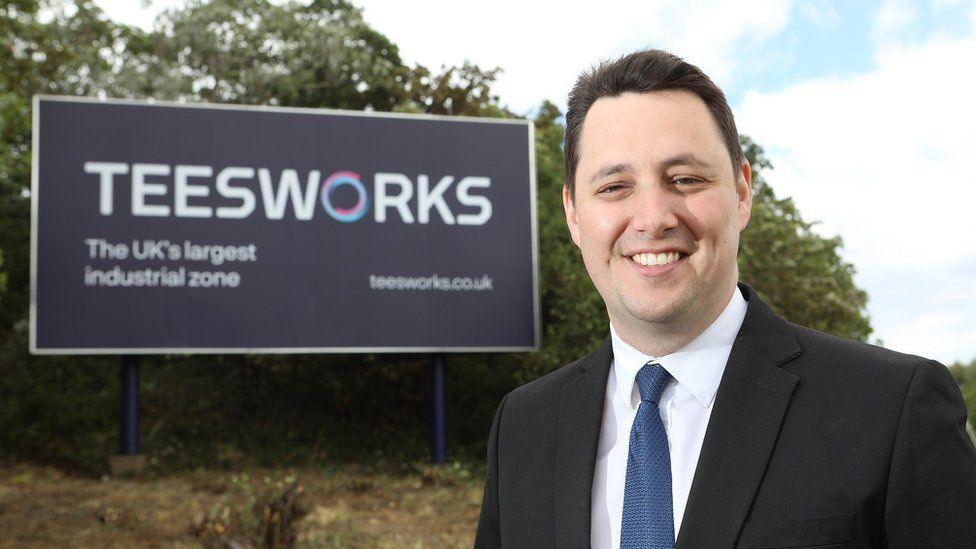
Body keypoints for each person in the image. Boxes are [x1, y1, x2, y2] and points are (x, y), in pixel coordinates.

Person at [474, 49, 976, 549]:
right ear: (574, 214)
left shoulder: (891, 410)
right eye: (614, 186)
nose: (653, 217)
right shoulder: (523, 426)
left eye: (686, 180)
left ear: (741, 192)